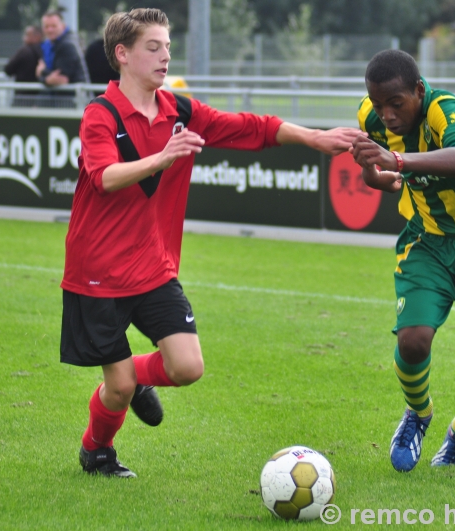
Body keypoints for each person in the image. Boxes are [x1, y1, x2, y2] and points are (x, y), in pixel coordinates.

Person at [61, 8, 360, 477]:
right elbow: (103, 177)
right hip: (97, 271)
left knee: (186, 367)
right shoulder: (100, 115)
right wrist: (161, 158)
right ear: (122, 55)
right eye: (153, 47)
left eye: (168, 48)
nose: (165, 57)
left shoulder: (180, 110)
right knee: (115, 390)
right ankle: (96, 450)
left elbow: (251, 127)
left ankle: (135, 376)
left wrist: (314, 137)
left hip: (153, 267)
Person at [351, 49, 455, 470]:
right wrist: (375, 171)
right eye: (378, 103)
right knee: (412, 339)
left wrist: (399, 161)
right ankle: (418, 414)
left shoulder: (445, 109)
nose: (386, 114)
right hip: (428, 241)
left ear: (418, 90)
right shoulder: (369, 118)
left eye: (396, 103)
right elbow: (378, 175)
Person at [35, 9, 89, 107]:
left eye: (54, 26)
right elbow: (53, 77)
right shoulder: (54, 44)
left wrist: (42, 72)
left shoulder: (67, 45)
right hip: (69, 102)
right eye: (46, 26)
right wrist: (47, 78)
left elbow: (61, 79)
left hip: (75, 104)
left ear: (63, 26)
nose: (50, 30)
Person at [4, 26, 44, 107]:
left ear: (37, 37)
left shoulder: (24, 51)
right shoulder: (47, 50)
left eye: (27, 35)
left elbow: (8, 69)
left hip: (22, 97)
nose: (24, 38)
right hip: (41, 98)